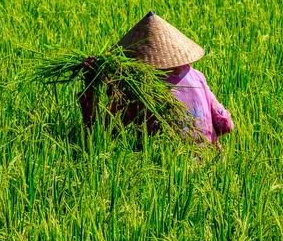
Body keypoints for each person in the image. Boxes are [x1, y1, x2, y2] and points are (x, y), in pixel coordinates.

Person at [79, 12, 234, 147]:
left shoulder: (137, 90)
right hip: (207, 163)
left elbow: (99, 130)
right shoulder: (197, 78)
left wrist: (91, 84)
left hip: (163, 168)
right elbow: (225, 124)